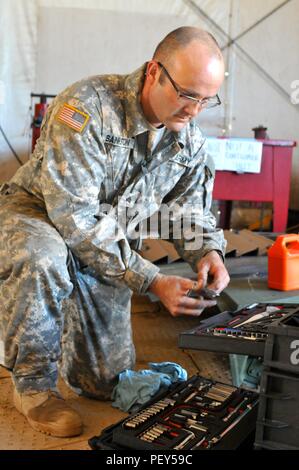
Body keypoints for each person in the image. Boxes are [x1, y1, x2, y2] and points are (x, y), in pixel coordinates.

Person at [0, 26, 229, 437]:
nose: (194, 110)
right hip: (38, 218)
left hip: (104, 244)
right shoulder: (86, 107)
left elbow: (187, 211)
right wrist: (152, 280)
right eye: (187, 94)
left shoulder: (186, 141)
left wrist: (207, 252)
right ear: (155, 72)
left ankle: (60, 332)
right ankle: (33, 386)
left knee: (104, 383)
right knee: (42, 259)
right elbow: (74, 216)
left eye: (206, 99)